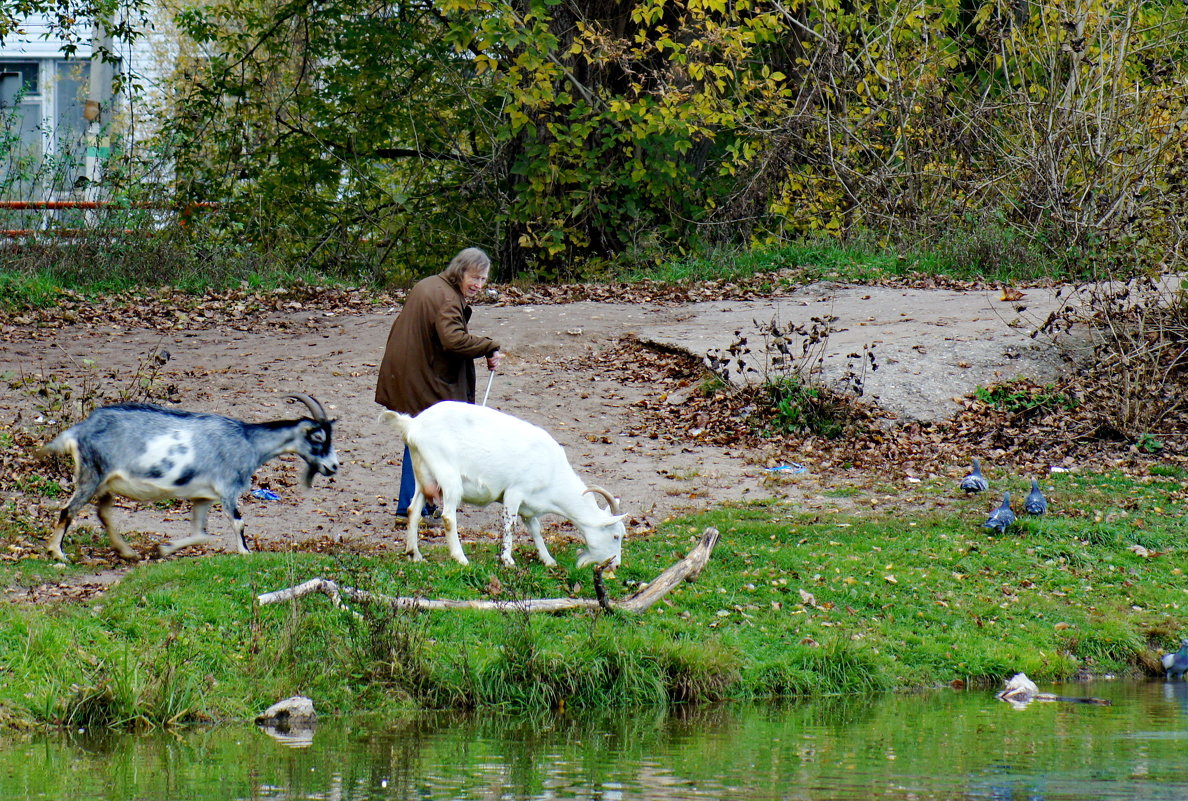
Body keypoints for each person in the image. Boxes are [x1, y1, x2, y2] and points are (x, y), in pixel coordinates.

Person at [376, 247, 502, 520]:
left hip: (409, 373)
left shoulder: (429, 285)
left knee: (418, 439)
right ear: (460, 272)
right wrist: (489, 346)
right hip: (423, 378)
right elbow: (453, 340)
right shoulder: (447, 297)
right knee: (425, 440)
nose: (479, 285)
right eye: (475, 278)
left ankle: (417, 506)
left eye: (483, 280)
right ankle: (414, 508)